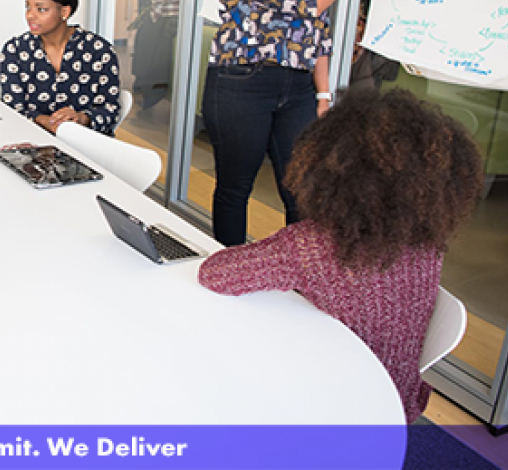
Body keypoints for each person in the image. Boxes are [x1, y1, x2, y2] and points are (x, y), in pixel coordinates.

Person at [198, 88, 482, 423]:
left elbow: (214, 274)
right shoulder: (427, 243)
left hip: (332, 409)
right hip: (396, 404)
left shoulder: (311, 245)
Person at [203, 0, 387, 247]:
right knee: (236, 187)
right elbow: (306, 3)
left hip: (299, 85)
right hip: (242, 82)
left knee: (301, 190)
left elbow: (315, 28)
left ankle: (299, 275)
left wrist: (322, 92)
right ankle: (228, 268)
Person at [0, 0, 122, 135]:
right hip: (33, 141)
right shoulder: (14, 50)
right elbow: (11, 109)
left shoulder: (99, 51)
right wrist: (48, 122)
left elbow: (111, 110)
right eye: (28, 7)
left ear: (64, 12)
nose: (30, 15)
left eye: (41, 9)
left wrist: (80, 118)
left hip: (87, 145)